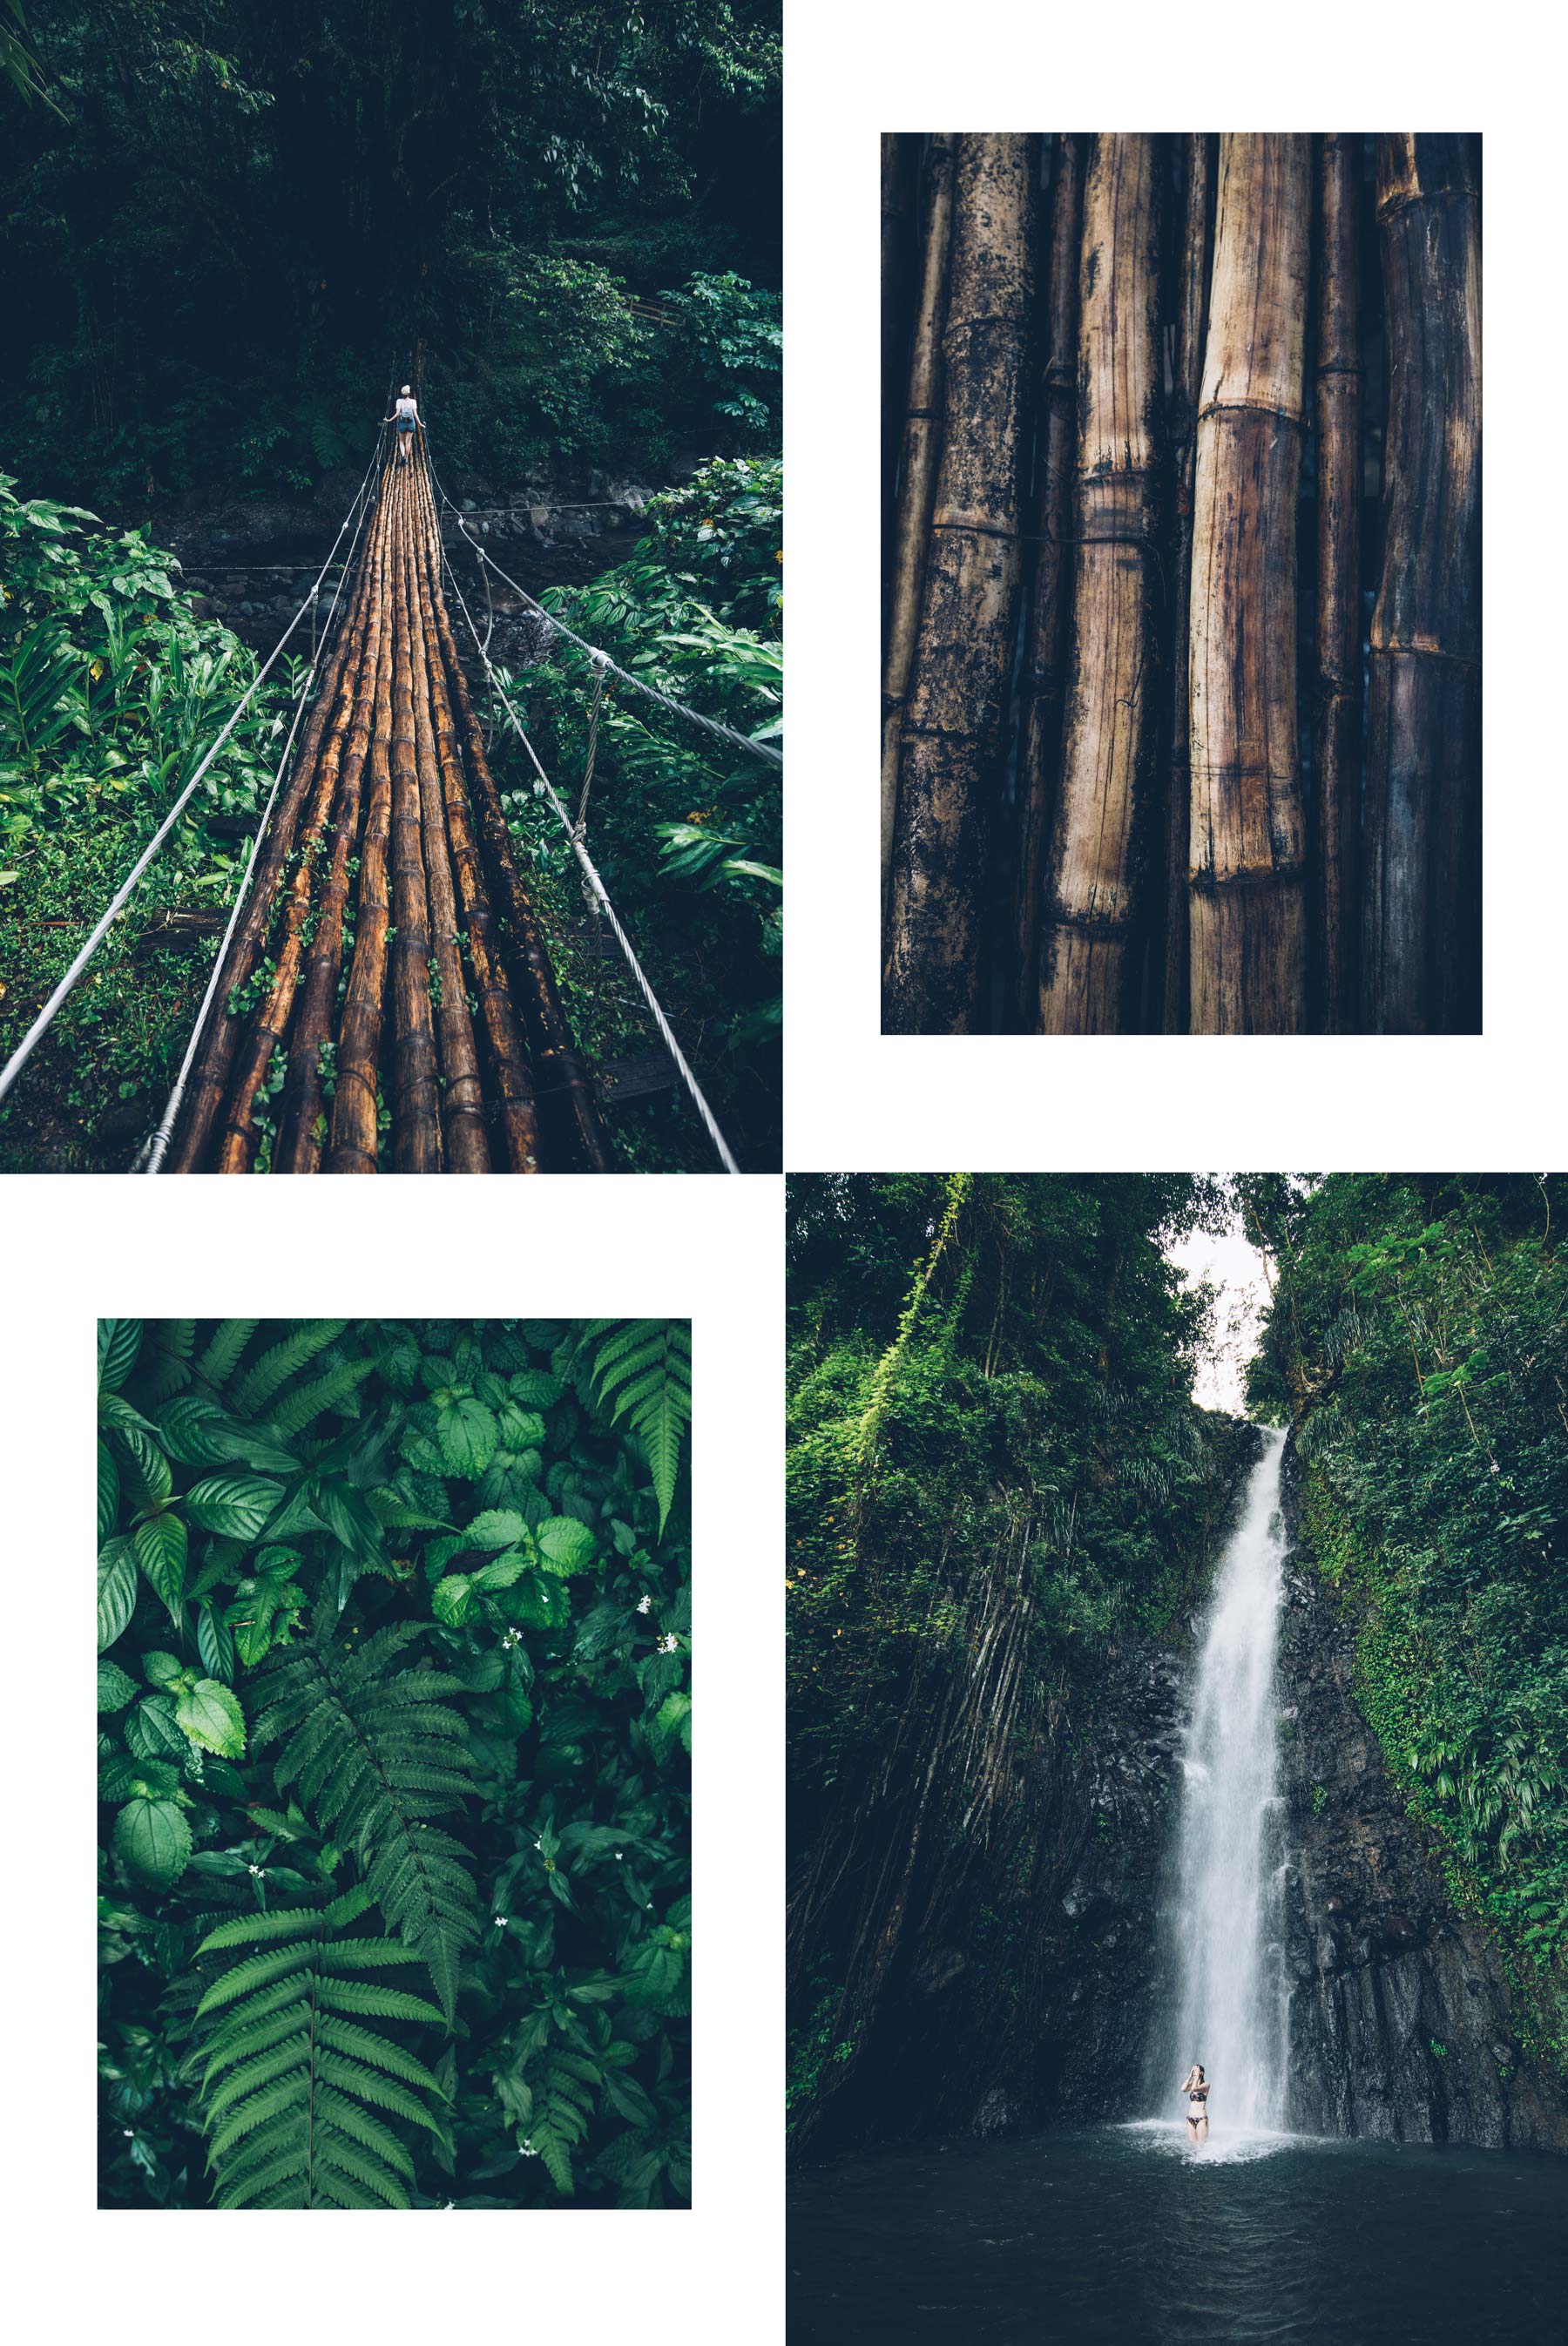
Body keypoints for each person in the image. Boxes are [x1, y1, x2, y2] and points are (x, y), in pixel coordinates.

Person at [384, 385, 420, 464]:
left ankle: (403, 455)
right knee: (408, 442)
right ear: (409, 393)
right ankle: (406, 459)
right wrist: (420, 424)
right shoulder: (413, 401)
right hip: (411, 423)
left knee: (401, 441)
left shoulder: (399, 401)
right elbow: (415, 414)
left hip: (402, 423)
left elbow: (397, 414)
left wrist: (389, 420)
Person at [1181, 2063, 1210, 2144]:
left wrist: (1197, 2076)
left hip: (1201, 2119)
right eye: (1193, 2070)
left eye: (1196, 2070)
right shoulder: (1191, 2084)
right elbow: (1183, 2089)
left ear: (1202, 2073)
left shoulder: (1206, 2085)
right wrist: (1190, 2076)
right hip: (1190, 2118)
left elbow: (1194, 2088)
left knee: (1201, 2146)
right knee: (1193, 2146)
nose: (1194, 2072)